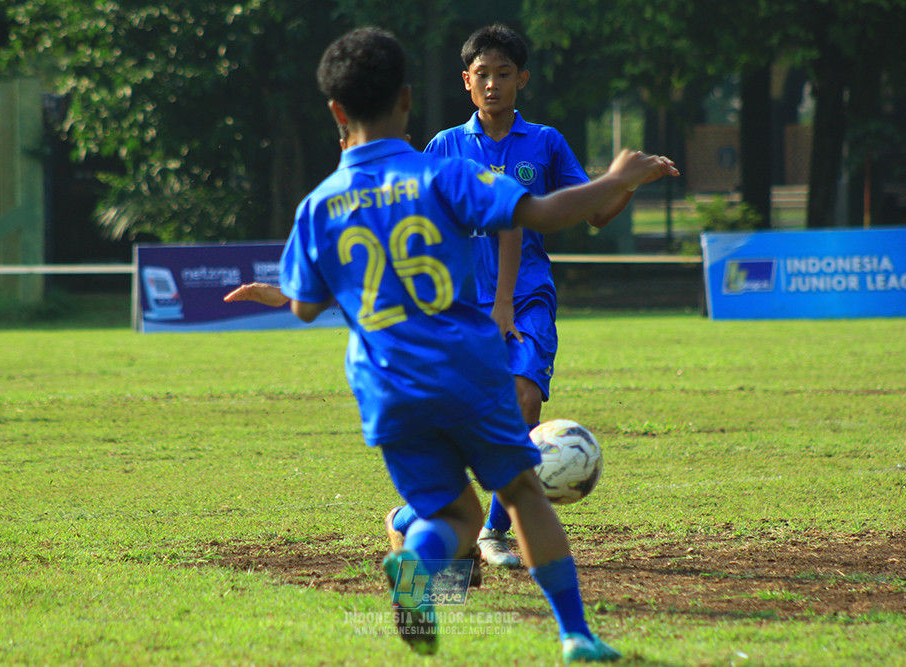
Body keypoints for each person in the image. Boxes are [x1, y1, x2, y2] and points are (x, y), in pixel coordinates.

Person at [251, 26, 676, 662]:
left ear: (337, 112)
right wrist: (615, 175)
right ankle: (576, 636)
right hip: (464, 368)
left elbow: (309, 305)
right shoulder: (442, 173)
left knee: (454, 519)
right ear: (406, 100)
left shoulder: (317, 207)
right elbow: (538, 214)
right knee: (525, 494)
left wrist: (277, 295)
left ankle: (422, 575)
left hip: (386, 390)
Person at [386, 23, 635, 570]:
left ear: (521, 79)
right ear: (466, 83)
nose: (493, 84)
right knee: (461, 431)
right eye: (483, 75)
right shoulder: (446, 146)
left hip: (526, 301)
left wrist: (623, 184)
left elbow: (592, 213)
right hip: (461, 310)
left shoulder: (545, 142)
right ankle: (417, 520)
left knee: (523, 402)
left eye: (504, 74)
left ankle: (493, 533)